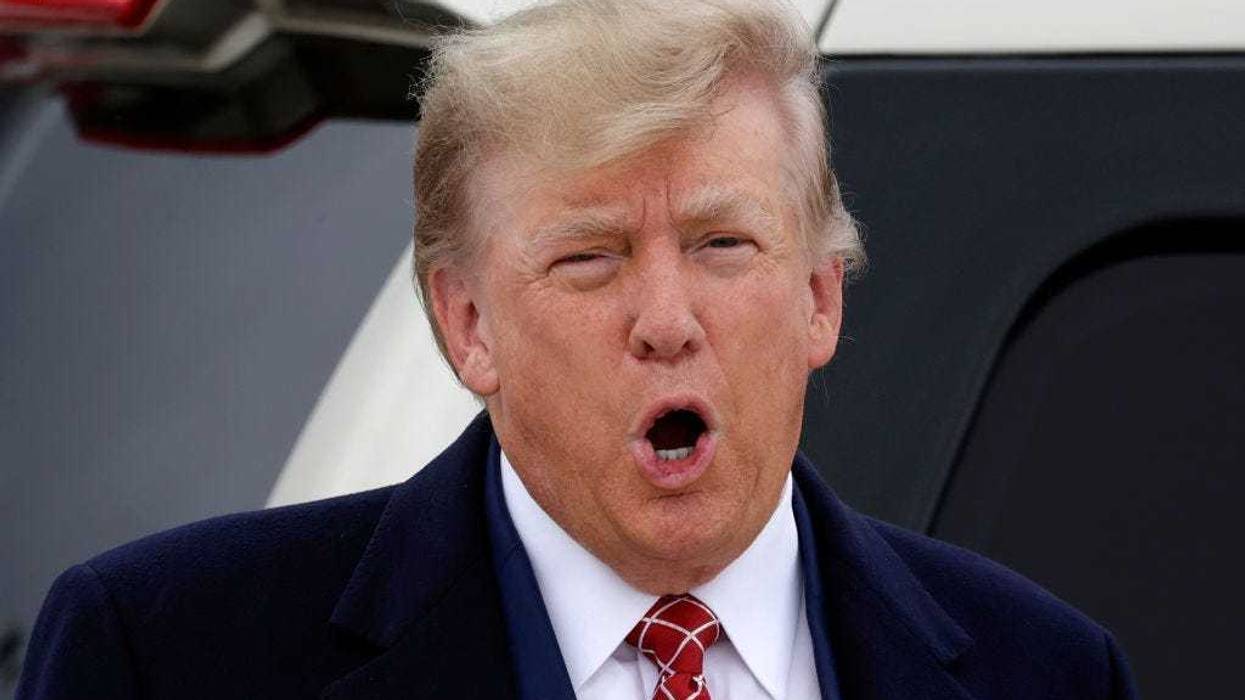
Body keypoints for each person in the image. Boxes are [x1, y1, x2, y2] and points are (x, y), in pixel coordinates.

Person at [18, 0, 1137, 698]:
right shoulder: (168, 658)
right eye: (591, 258)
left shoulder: (1040, 672)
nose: (666, 316)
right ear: (468, 323)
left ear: (818, 299)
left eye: (721, 242)